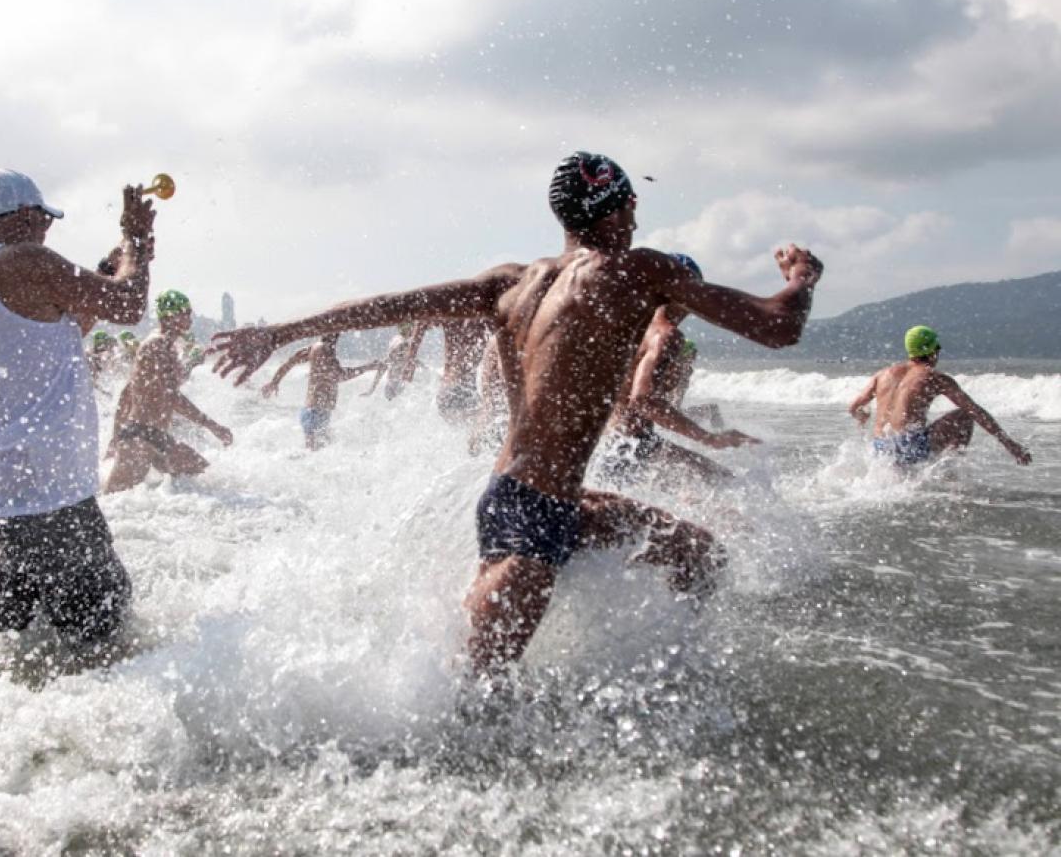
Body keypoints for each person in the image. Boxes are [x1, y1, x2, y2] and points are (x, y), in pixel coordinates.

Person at [211, 151, 823, 677]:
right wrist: (801, 277)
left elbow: (390, 304)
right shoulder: (639, 271)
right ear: (612, 209)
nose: (637, 216)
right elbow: (779, 327)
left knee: (699, 557)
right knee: (474, 698)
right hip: (529, 523)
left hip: (539, 502)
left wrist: (286, 331)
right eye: (631, 204)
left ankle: (661, 684)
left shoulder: (510, 283)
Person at [0, 168, 155, 645]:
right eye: (44, 220)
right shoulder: (24, 261)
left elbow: (53, 337)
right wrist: (136, 240)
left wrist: (102, 275)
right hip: (52, 506)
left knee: (29, 652)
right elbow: (129, 306)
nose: (47, 231)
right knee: (109, 649)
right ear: (22, 216)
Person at [597, 255, 758, 486]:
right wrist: (709, 438)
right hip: (631, 448)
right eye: (695, 291)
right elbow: (643, 400)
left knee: (712, 488)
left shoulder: (632, 327)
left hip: (616, 443)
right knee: (730, 484)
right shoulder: (666, 336)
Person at [849, 325, 1031, 468]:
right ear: (932, 349)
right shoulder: (934, 377)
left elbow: (853, 407)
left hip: (880, 448)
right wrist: (1010, 444)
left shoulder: (883, 374)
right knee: (964, 417)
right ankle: (948, 473)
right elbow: (974, 411)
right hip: (909, 447)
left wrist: (862, 416)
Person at [105, 290, 233, 491]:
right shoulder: (157, 344)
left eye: (190, 312)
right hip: (140, 436)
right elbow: (170, 395)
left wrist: (192, 363)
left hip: (155, 435)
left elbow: (130, 391)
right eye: (185, 313)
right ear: (168, 315)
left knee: (205, 477)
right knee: (113, 499)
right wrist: (212, 425)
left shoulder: (167, 345)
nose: (189, 318)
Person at [260, 333, 383, 449]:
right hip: (315, 413)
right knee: (313, 456)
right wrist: (367, 367)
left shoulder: (316, 348)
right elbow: (339, 375)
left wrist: (275, 382)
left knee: (319, 455)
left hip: (318, 412)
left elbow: (290, 362)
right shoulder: (323, 349)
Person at [397, 320, 493, 424]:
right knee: (481, 428)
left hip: (452, 389)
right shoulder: (484, 320)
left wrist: (410, 362)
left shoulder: (455, 315)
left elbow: (422, 321)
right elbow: (422, 321)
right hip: (456, 390)